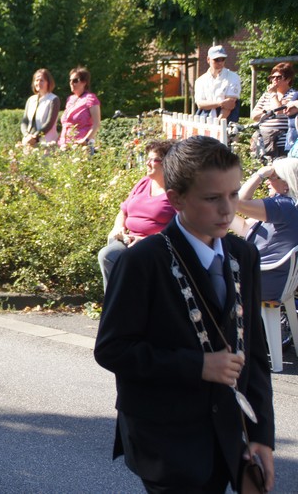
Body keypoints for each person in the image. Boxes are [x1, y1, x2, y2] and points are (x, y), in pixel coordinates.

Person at [95, 136, 275, 493]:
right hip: (165, 437)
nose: (227, 210)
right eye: (212, 198)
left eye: (233, 194)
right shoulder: (142, 261)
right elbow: (112, 349)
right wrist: (198, 365)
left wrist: (261, 435)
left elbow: (254, 350)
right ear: (176, 198)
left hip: (227, 432)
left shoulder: (243, 255)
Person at [98, 140, 176, 291]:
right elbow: (123, 210)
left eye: (153, 160)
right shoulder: (144, 183)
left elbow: (180, 228)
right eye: (147, 159)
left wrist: (147, 240)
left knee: (125, 260)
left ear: (167, 163)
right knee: (107, 255)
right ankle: (114, 302)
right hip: (129, 239)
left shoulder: (175, 192)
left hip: (157, 245)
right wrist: (118, 227)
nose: (147, 163)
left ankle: (129, 302)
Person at [231, 158, 298, 302]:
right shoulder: (289, 207)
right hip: (272, 279)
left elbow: (238, 202)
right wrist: (216, 213)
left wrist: (260, 175)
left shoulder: (283, 206)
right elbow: (244, 228)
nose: (267, 181)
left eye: (272, 177)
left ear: (286, 184)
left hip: (261, 280)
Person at [251, 62, 298, 160]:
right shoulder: (266, 95)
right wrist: (268, 110)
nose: (274, 80)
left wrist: (273, 94)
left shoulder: (294, 95)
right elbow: (254, 116)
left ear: (288, 79)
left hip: (281, 140)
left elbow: (278, 112)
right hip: (262, 139)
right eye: (272, 77)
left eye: (278, 77)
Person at [194, 45, 242, 122]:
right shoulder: (200, 80)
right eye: (216, 59)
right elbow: (200, 104)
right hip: (204, 119)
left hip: (226, 120)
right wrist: (220, 103)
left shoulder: (233, 77)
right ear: (208, 59)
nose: (220, 62)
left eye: (223, 59)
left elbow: (230, 104)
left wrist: (218, 123)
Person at [59, 66, 101, 148]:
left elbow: (96, 123)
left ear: (84, 82)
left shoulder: (90, 98)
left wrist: (86, 140)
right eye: (70, 80)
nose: (71, 83)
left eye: (75, 80)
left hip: (81, 146)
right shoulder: (70, 99)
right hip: (65, 145)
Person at [20, 68, 60, 147]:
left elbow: (49, 123)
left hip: (46, 143)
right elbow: (24, 122)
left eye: (42, 80)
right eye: (36, 80)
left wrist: (35, 137)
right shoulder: (31, 100)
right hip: (28, 142)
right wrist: (27, 135)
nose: (38, 83)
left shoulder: (53, 99)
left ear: (48, 82)